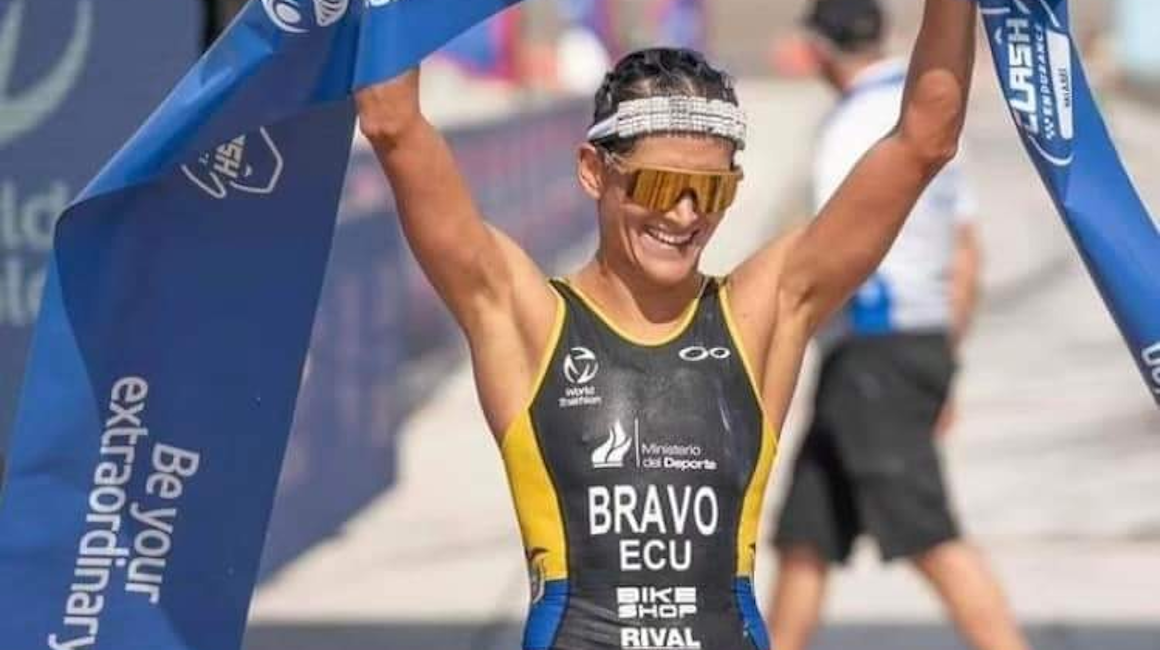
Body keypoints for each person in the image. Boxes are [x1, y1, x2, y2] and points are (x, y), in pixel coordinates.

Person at [354, 0, 975, 647]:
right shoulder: (524, 318)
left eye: (711, 192)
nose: (683, 216)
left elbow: (925, 139)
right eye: (657, 186)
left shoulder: (761, 315)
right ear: (593, 171)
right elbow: (392, 122)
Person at [765, 2, 1032, 650]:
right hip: (913, 341)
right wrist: (943, 359)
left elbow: (826, 255)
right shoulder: (921, 115)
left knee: (928, 534)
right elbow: (966, 253)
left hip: (872, 350)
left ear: (820, 50)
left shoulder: (853, 126)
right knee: (807, 535)